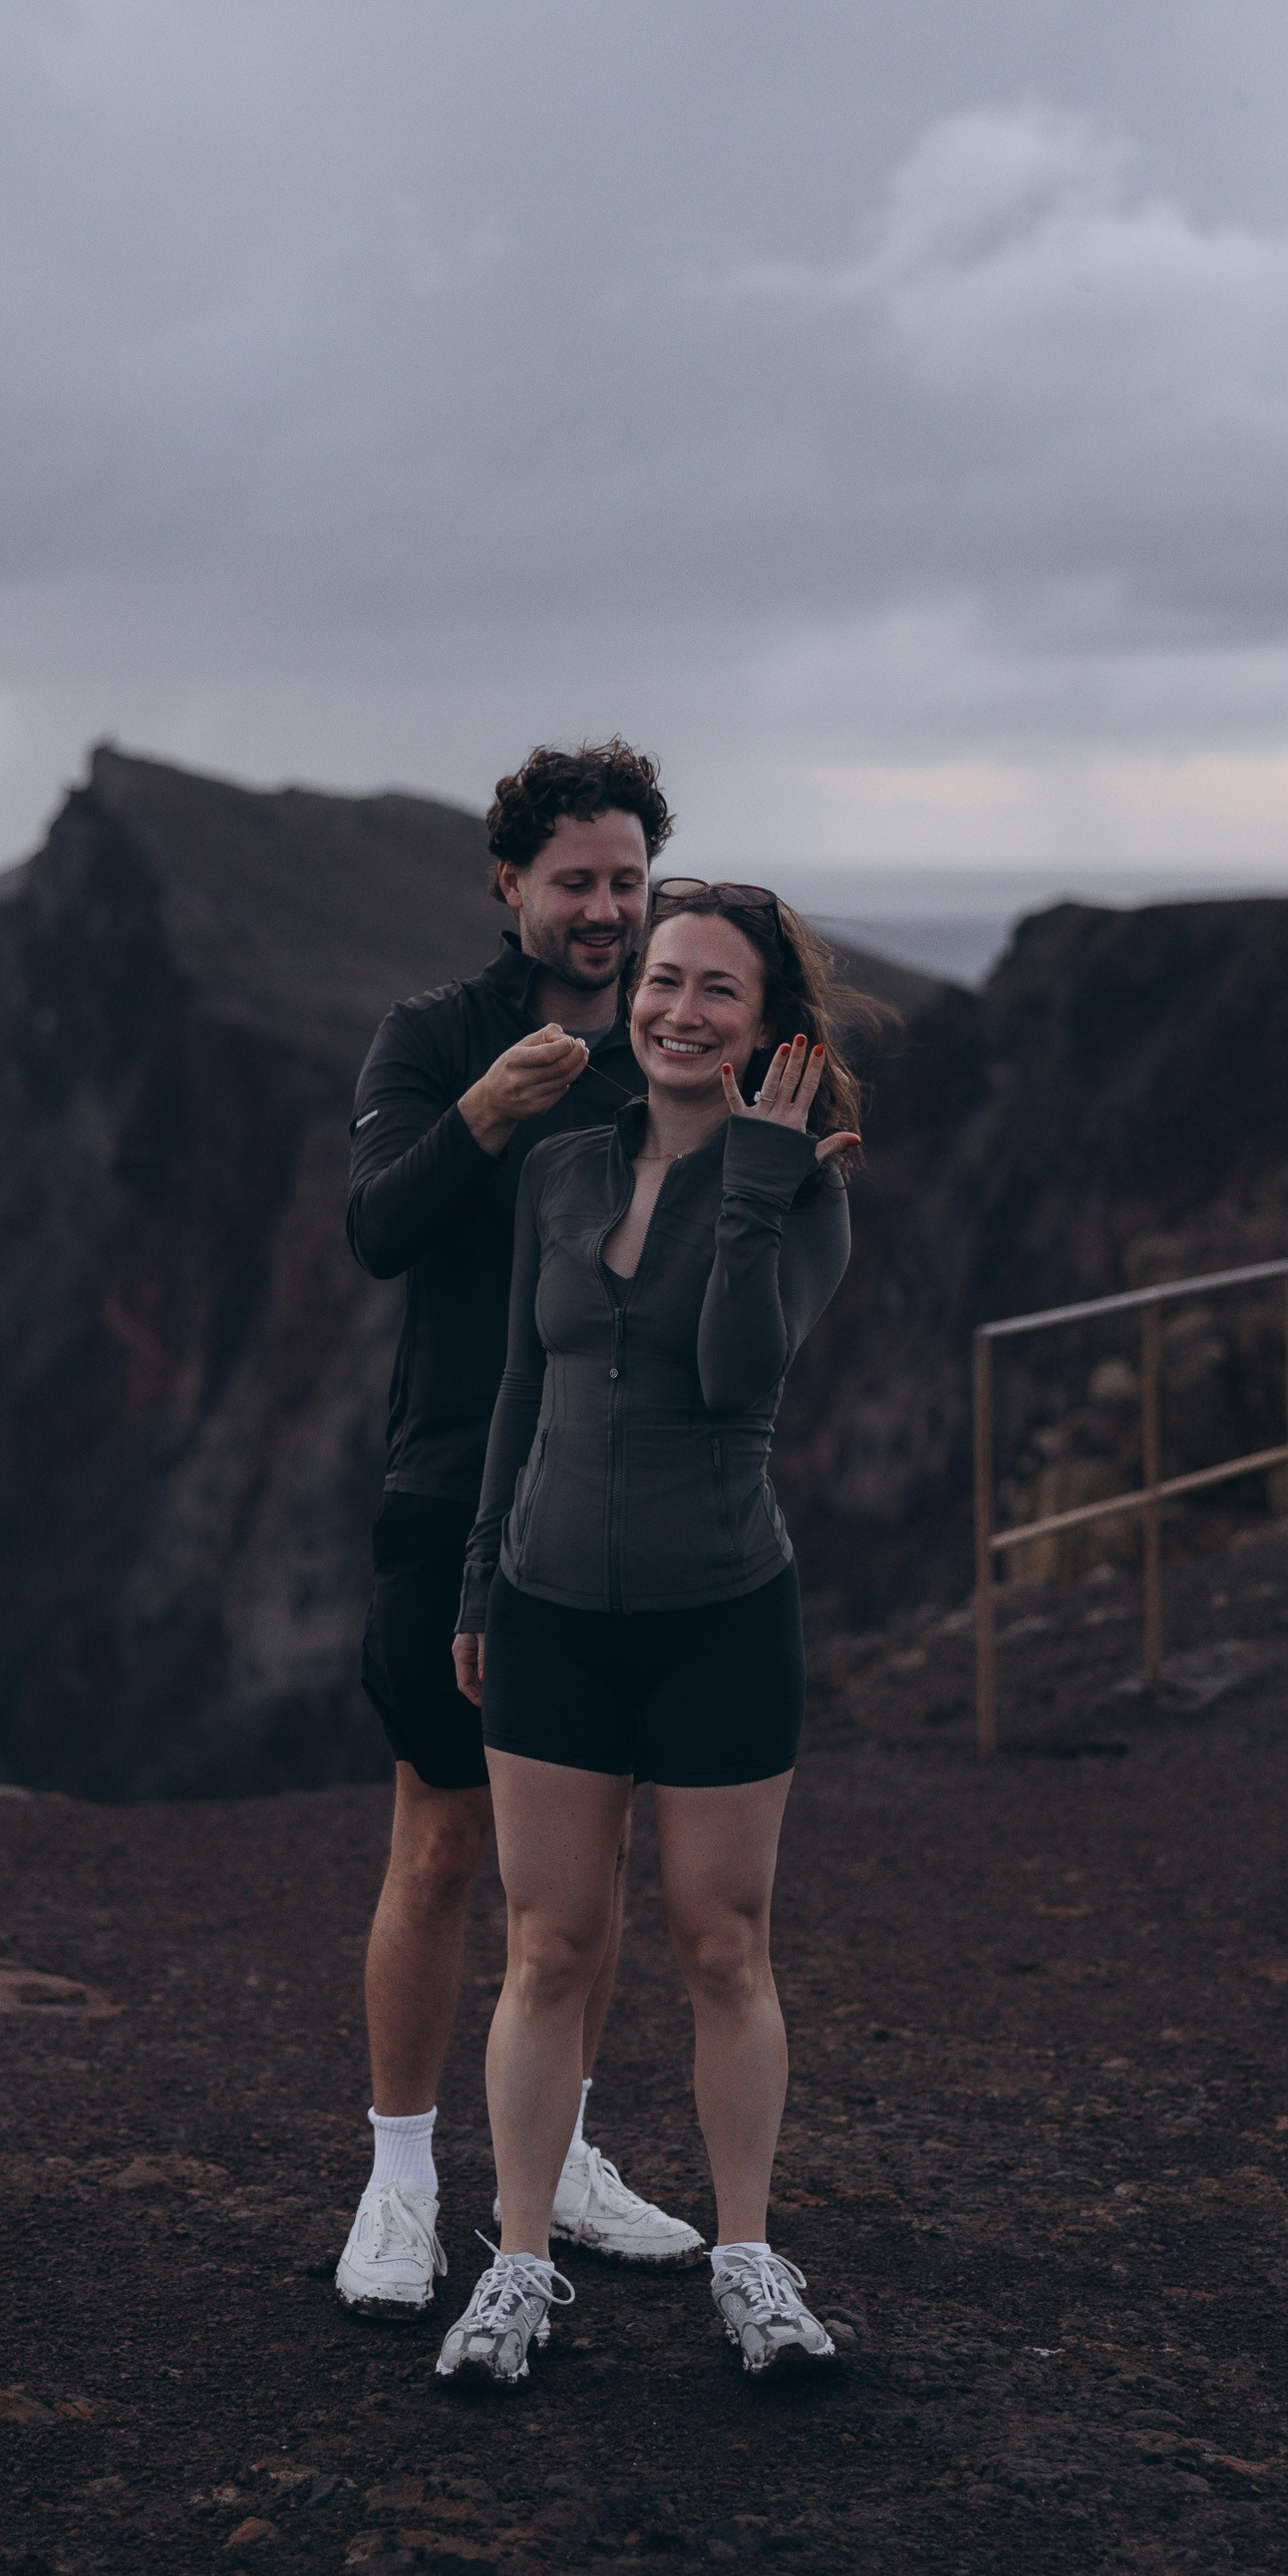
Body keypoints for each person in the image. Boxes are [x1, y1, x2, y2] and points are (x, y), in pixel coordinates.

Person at [434, 879, 868, 2387]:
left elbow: (739, 1372)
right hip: (547, 1617)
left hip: (721, 1621)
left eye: (717, 990)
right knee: (547, 1947)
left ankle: (747, 2260)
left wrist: (753, 1181)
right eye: (662, 980)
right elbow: (519, 1387)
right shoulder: (561, 1169)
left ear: (769, 1027)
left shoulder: (805, 1192)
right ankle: (519, 2264)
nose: (679, 1010)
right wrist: (480, 1582)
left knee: (722, 1946)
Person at [335, 742, 706, 2316]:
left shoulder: (671, 1050)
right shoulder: (437, 1038)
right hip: (449, 1489)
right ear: (511, 884)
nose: (607, 910)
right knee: (439, 1843)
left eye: (629, 881)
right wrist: (486, 1114)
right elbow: (378, 1229)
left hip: (614, 1502)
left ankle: (558, 2165)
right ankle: (400, 2185)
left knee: (586, 1872)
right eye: (577, 882)